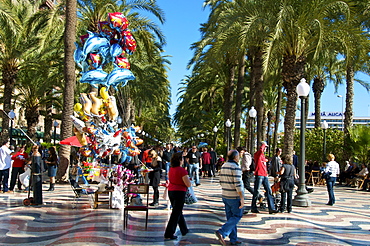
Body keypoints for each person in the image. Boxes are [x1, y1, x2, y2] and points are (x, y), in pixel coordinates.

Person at [215, 150, 244, 246]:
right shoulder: (236, 167)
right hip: (234, 196)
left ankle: (233, 239)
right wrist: (242, 198)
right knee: (237, 216)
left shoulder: (224, 166)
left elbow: (220, 181)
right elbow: (238, 184)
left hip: (225, 195)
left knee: (230, 218)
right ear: (235, 157)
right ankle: (222, 232)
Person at [164, 152, 191, 240]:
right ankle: (169, 232)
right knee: (176, 212)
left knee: (178, 211)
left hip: (171, 190)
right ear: (180, 160)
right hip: (179, 192)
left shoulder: (171, 169)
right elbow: (188, 184)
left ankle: (184, 229)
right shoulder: (182, 171)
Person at [250, 141, 278, 214]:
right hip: (259, 175)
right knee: (256, 191)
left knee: (269, 191)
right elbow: (260, 151)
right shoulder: (257, 154)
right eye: (265, 147)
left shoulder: (262, 156)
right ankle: (253, 207)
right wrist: (263, 145)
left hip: (264, 175)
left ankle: (271, 208)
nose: (265, 148)